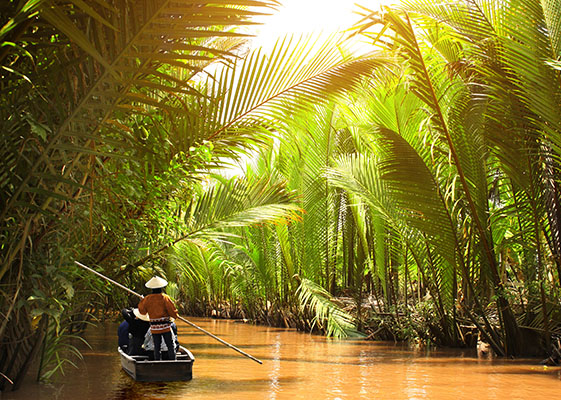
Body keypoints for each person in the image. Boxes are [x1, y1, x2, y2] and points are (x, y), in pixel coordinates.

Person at [138, 276, 179, 360]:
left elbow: (142, 311)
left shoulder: (147, 299)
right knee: (170, 345)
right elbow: (172, 312)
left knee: (157, 346)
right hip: (165, 327)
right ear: (161, 287)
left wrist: (142, 301)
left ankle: (157, 362)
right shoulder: (164, 298)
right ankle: (173, 362)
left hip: (154, 328)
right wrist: (175, 315)